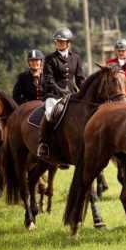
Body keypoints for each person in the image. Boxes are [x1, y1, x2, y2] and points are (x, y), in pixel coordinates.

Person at [37, 28, 86, 158]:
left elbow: (80, 79)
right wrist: (60, 91)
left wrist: (84, 92)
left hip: (72, 95)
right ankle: (44, 144)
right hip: (54, 95)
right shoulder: (50, 58)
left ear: (68, 43)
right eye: (57, 41)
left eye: (61, 41)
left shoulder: (75, 58)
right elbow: (48, 79)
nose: (58, 43)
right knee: (49, 114)